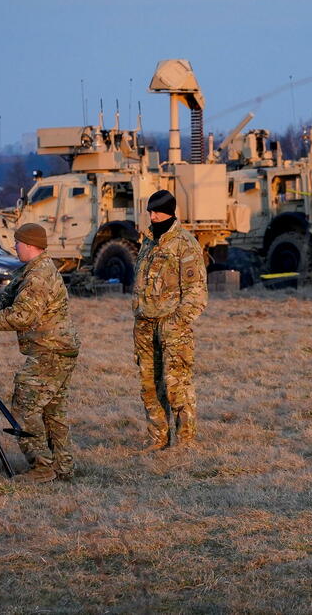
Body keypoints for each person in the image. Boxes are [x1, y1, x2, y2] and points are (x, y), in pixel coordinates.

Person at [0, 223, 80, 483]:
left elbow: (23, 316)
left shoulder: (38, 276)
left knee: (24, 408)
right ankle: (62, 466)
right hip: (57, 349)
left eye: (16, 243)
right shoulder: (30, 271)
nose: (14, 247)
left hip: (50, 351)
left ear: (28, 244)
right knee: (52, 411)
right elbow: (2, 300)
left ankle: (41, 466)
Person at [132, 189, 207, 451]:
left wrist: (176, 323)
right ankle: (158, 439)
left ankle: (185, 442)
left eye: (158, 212)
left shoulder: (185, 244)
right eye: (150, 212)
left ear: (170, 213)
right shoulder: (148, 241)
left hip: (173, 328)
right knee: (149, 387)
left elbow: (196, 293)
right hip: (144, 326)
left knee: (177, 386)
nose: (153, 217)